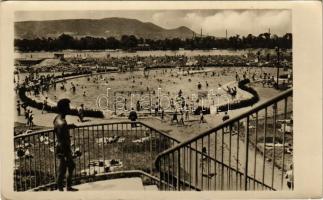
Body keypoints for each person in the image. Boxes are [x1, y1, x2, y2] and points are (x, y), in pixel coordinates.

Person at [54, 98, 78, 191]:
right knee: (65, 168)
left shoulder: (57, 118)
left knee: (65, 167)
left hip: (61, 147)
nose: (69, 108)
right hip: (63, 148)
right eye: (67, 107)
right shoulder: (62, 123)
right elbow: (63, 137)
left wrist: (69, 126)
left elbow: (58, 129)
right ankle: (64, 187)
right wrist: (65, 152)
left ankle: (62, 187)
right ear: (64, 108)